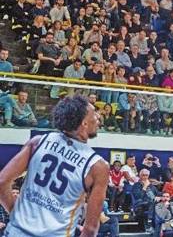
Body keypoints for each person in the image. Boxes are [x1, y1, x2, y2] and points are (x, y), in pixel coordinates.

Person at [0, 95, 108, 236]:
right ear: (84, 123)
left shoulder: (38, 142)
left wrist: (15, 211)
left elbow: (2, 182)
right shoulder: (97, 166)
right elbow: (90, 229)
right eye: (94, 113)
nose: (98, 117)